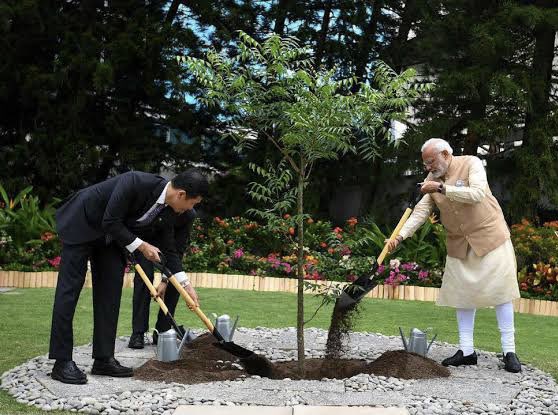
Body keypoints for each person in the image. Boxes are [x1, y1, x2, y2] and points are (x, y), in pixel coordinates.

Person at [49, 168, 207, 384]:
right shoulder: (135, 182)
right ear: (181, 194)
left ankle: (103, 359)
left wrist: (185, 284)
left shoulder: (169, 210)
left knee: (110, 293)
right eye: (192, 203)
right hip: (83, 222)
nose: (191, 209)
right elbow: (110, 220)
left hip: (111, 238)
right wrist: (142, 246)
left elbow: (169, 251)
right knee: (68, 293)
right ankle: (61, 361)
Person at [387, 138, 522, 373]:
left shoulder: (472, 163)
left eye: (432, 161)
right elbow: (420, 212)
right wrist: (400, 237)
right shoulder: (431, 179)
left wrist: (442, 188)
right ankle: (467, 351)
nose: (428, 167)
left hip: (490, 237)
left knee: (502, 292)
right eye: (425, 163)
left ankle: (509, 351)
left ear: (446, 154)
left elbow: (477, 194)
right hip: (459, 243)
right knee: (462, 296)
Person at [127, 208, 197, 349]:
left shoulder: (188, 215)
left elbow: (178, 248)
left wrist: (166, 280)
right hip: (145, 242)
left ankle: (162, 331)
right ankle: (138, 333)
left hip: (169, 247)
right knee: (144, 276)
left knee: (176, 281)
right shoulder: (163, 205)